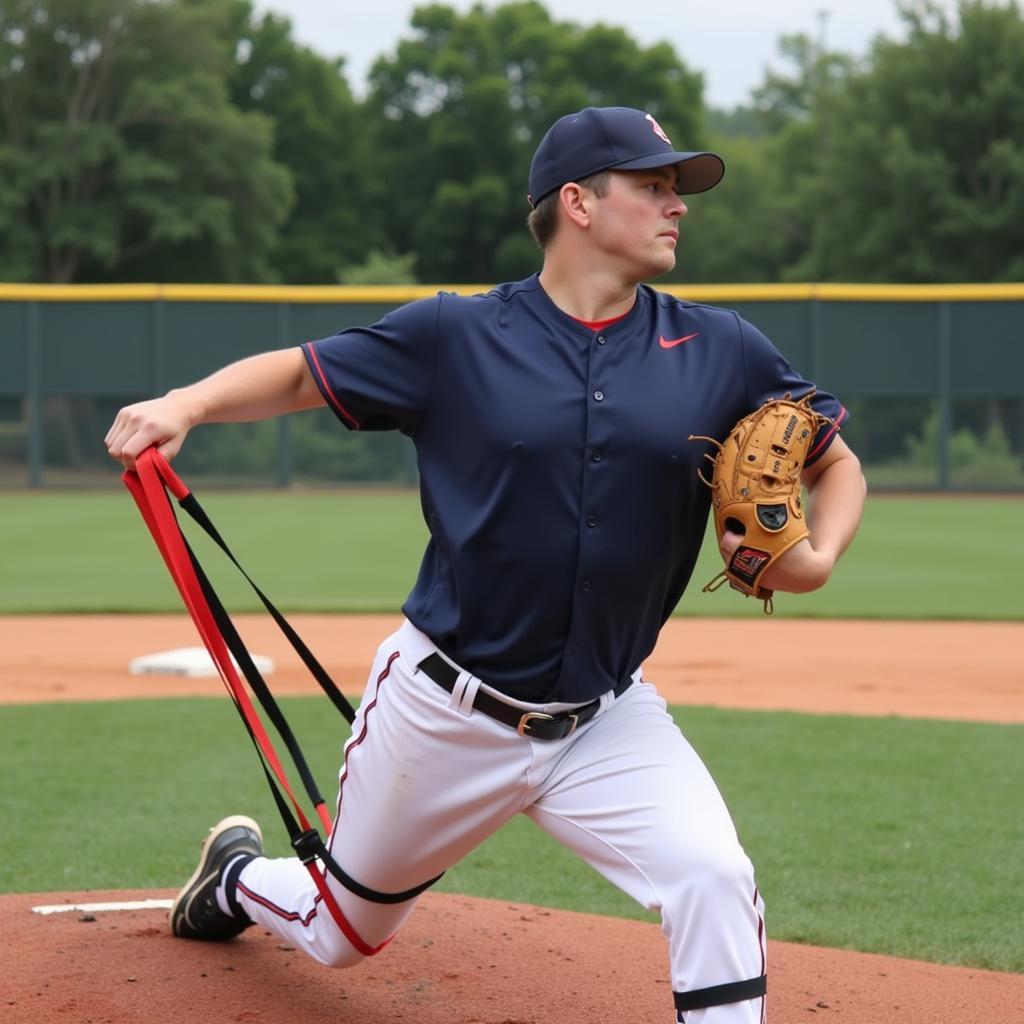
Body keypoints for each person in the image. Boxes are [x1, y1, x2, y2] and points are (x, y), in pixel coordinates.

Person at [106, 105, 866, 1022]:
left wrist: (815, 560)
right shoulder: (453, 337)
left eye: (679, 189)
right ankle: (236, 879)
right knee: (344, 932)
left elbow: (832, 459)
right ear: (578, 203)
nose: (678, 205)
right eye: (654, 185)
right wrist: (184, 403)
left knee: (713, 873)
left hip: (604, 716)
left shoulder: (721, 349)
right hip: (443, 709)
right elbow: (308, 373)